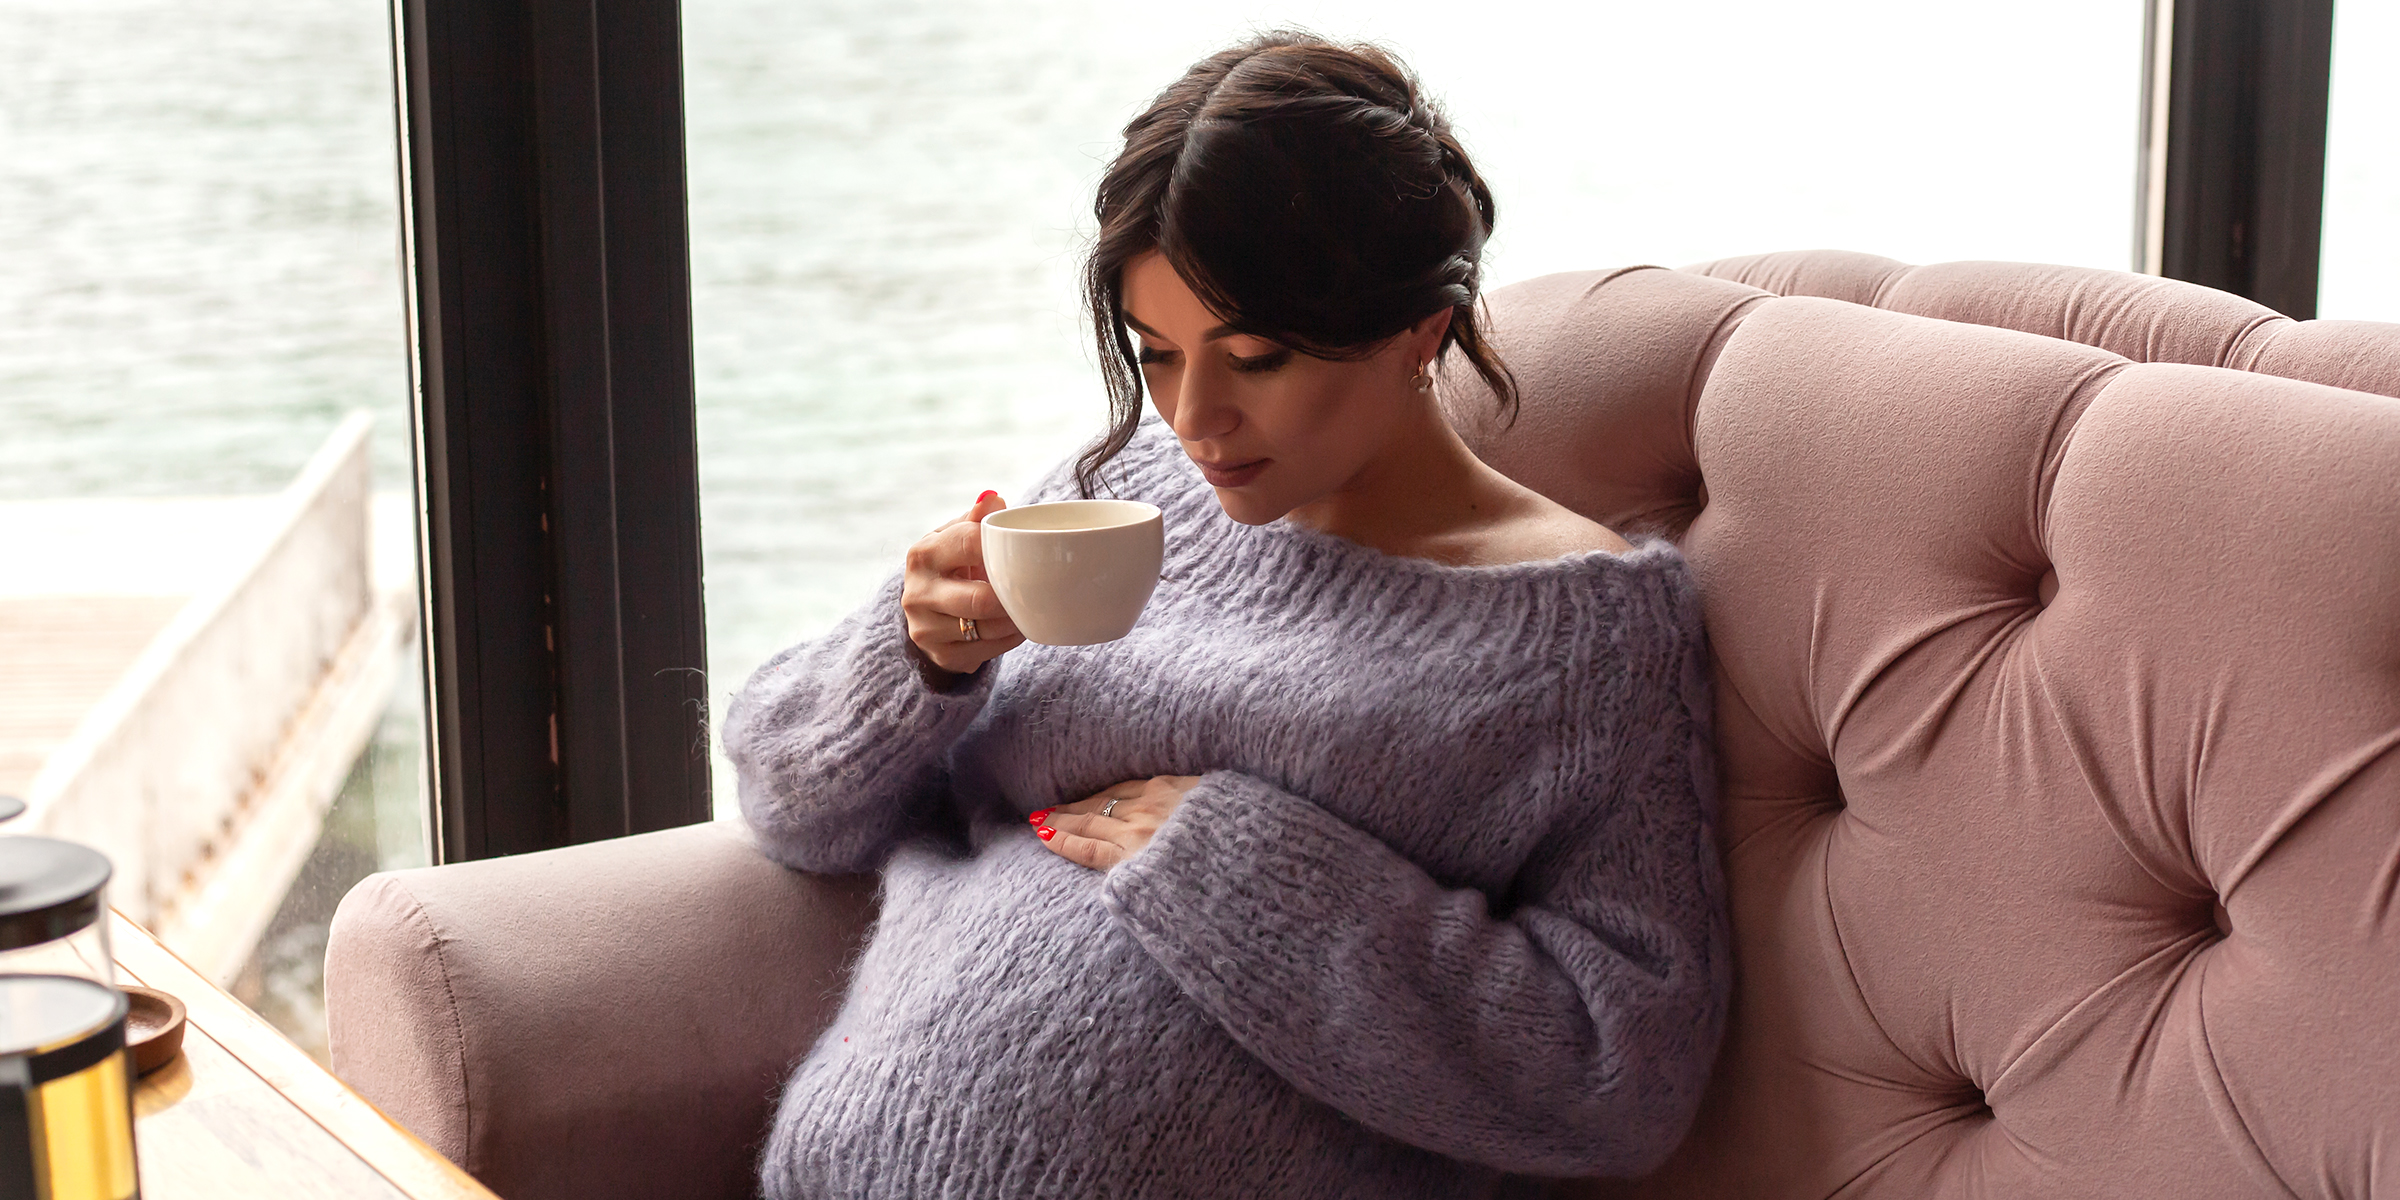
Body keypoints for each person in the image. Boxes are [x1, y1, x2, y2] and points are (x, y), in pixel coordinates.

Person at [724, 31, 1728, 1200]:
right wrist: (915, 658)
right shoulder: (1117, 498)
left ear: (1421, 328)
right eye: (1156, 354)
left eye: (1254, 357)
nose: (1195, 418)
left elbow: (1622, 1082)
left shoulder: (1587, 639)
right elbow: (786, 801)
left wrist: (1246, 879)